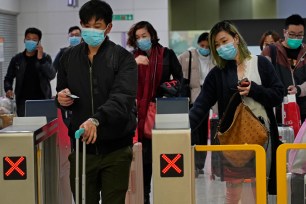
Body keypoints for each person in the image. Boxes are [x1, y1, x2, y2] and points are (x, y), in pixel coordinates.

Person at [189, 20, 284, 203]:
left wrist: (254, 90)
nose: (220, 47)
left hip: (262, 138)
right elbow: (201, 106)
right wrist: (182, 129)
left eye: (224, 41)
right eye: (216, 45)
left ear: (236, 38)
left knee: (259, 190)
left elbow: (278, 94)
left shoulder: (261, 63)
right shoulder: (218, 73)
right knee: (233, 193)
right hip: (232, 140)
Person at [56, 1, 137, 204]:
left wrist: (96, 120)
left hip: (116, 149)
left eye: (97, 25)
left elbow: (122, 98)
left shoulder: (122, 58)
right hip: (82, 149)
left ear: (108, 27)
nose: (91, 30)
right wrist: (61, 98)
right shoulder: (68, 57)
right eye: (87, 25)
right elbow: (61, 90)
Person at [127, 21, 183, 204]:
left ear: (152, 34)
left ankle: (165, 196)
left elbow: (180, 80)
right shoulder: (131, 58)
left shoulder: (167, 54)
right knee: (142, 160)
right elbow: (120, 81)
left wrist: (166, 90)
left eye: (144, 35)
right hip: (137, 115)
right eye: (137, 37)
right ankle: (144, 197)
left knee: (163, 159)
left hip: (160, 113)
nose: (141, 40)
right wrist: (133, 65)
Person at [178, 32, 215, 175]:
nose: (204, 48)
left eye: (207, 46)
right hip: (192, 98)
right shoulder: (188, 55)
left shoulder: (214, 58)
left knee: (203, 132)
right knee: (193, 131)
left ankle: (199, 164)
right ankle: (193, 163)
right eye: (202, 45)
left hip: (208, 97)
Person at [261, 14, 306, 123]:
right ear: (284, 32)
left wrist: (299, 89)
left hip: (303, 112)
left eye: (300, 35)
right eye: (292, 34)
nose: (296, 38)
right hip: (278, 113)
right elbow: (261, 79)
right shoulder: (270, 51)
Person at [4, 27, 55, 117]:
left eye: (34, 40)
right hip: (23, 102)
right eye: (28, 39)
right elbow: (8, 77)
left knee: (42, 128)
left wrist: (41, 59)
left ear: (38, 42)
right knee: (25, 127)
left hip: (42, 100)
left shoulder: (45, 57)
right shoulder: (17, 59)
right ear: (24, 40)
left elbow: (51, 75)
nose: (30, 41)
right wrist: (8, 88)